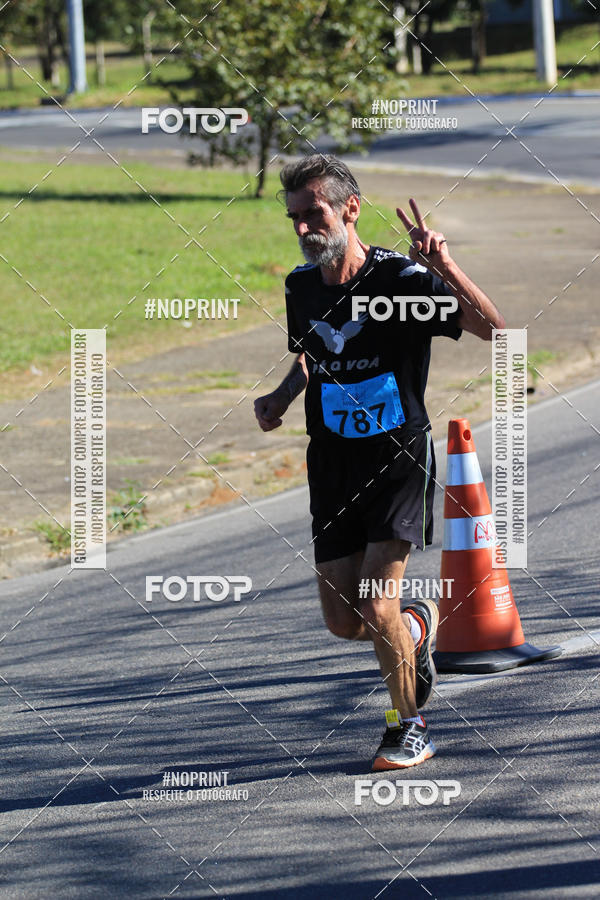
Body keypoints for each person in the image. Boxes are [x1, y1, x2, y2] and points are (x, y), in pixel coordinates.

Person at [254, 154, 505, 769]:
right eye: (294, 218)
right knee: (344, 621)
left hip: (397, 462)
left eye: (313, 213)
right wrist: (281, 398)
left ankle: (408, 725)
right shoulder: (302, 286)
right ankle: (415, 629)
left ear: (349, 208)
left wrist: (443, 266)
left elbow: (496, 333)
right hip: (332, 466)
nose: (303, 228)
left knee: (375, 602)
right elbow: (313, 353)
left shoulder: (400, 282)